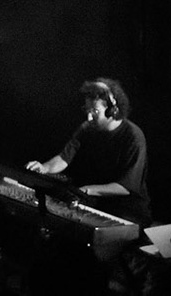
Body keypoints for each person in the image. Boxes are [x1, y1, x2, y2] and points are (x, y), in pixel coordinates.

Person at [23, 77, 149, 223]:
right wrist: (44, 168)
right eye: (87, 110)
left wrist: (85, 191)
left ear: (113, 110)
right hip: (95, 204)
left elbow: (125, 186)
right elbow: (64, 157)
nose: (89, 117)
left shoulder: (133, 136)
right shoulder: (87, 129)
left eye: (95, 111)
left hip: (127, 212)